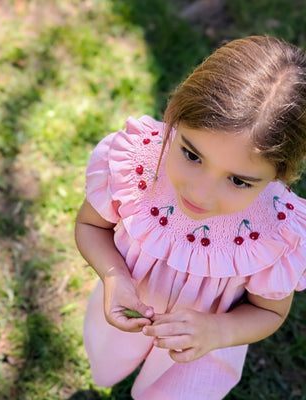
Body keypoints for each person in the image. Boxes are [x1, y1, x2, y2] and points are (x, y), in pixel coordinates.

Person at [75, 35, 306, 399]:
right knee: (110, 357)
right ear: (175, 118)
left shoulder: (276, 231)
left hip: (201, 348)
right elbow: (90, 225)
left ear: (279, 176)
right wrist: (114, 275)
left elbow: (270, 312)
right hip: (127, 312)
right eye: (192, 155)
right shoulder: (136, 167)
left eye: (238, 180)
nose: (199, 193)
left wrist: (218, 332)